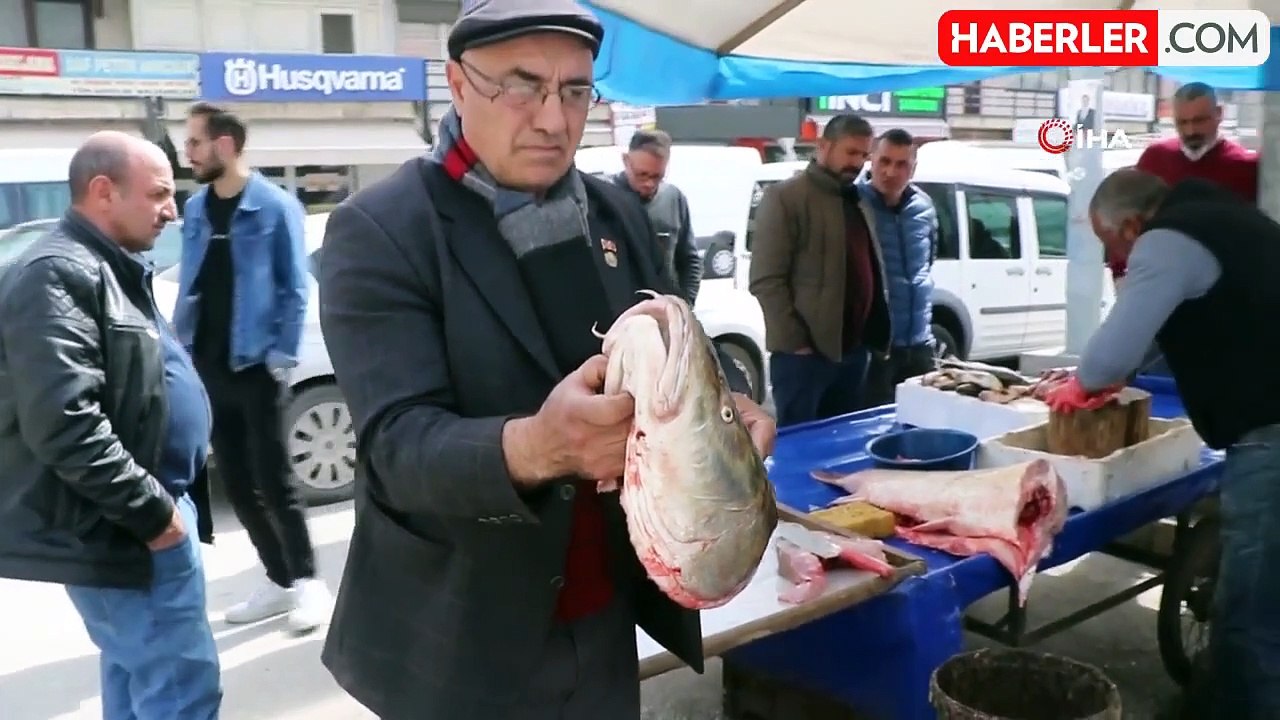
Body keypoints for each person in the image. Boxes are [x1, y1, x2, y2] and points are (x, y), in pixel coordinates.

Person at [315, 1, 776, 718]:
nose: (554, 120)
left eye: (574, 91)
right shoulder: (382, 230)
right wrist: (538, 446)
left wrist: (726, 402)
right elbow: (396, 448)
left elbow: (677, 341)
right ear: (459, 85)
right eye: (522, 86)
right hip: (462, 642)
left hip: (604, 617)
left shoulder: (614, 212)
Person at [0, 132, 221, 719]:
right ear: (103, 191)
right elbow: (65, 422)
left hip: (142, 520)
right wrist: (156, 517)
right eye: (158, 195)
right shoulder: (57, 275)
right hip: (128, 527)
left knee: (138, 681)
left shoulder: (111, 265)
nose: (173, 210)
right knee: (180, 693)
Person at [1047, 168, 1280, 719]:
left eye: (1113, 250)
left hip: (1271, 440)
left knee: (1250, 626)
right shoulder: (1226, 218)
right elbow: (1161, 334)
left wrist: (1083, 385)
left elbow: (1107, 359)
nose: (1118, 266)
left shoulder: (1167, 239)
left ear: (1132, 224)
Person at [175, 101, 333, 632]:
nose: (187, 152)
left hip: (257, 366)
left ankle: (309, 582)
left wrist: (279, 359)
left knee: (275, 479)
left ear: (224, 145)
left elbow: (293, 288)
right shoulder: (197, 209)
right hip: (208, 365)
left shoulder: (272, 206)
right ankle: (277, 579)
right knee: (238, 484)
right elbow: (193, 284)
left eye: (195, 142)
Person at [749, 113, 891, 427]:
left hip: (853, 355)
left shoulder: (857, 200)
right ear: (823, 146)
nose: (857, 163)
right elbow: (766, 280)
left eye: (864, 155)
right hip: (805, 360)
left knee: (841, 454)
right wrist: (796, 343)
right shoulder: (786, 198)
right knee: (800, 454)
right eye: (851, 152)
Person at [1107, 82, 1257, 282]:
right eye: (1182, 122)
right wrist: (1120, 273)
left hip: (1224, 289)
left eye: (1199, 120)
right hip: (1160, 282)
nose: (1190, 131)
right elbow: (1128, 216)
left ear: (1219, 114)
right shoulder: (1154, 159)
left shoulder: (1246, 167)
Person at [857, 128, 938, 406]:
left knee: (922, 424)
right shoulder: (856, 204)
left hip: (919, 343)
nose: (891, 172)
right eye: (885, 161)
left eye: (901, 164)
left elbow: (927, 263)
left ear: (912, 169)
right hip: (876, 349)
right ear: (872, 161)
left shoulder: (924, 207)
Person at [610, 128, 702, 304]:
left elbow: (689, 260)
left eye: (657, 176)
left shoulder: (674, 199)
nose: (649, 183)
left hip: (664, 310)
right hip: (620, 314)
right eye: (642, 174)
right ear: (626, 161)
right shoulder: (604, 199)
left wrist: (685, 304)